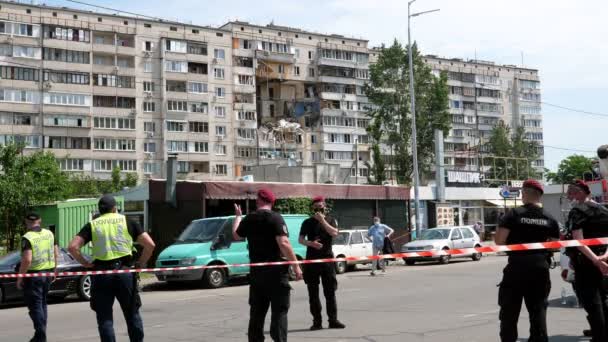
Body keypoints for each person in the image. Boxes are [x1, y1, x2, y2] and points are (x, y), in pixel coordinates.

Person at [68, 195, 155, 342]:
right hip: (125, 272)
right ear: (114, 208)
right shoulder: (127, 221)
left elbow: (72, 247)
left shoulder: (93, 224)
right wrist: (141, 263)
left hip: (102, 273)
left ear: (100, 210)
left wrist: (85, 263)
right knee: (132, 313)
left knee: (105, 318)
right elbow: (150, 245)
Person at [232, 188, 303, 342]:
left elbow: (236, 235)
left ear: (258, 201)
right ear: (272, 202)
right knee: (279, 312)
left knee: (257, 314)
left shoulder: (249, 218)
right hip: (276, 273)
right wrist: (296, 266)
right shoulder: (275, 218)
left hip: (257, 273)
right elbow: (284, 242)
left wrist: (238, 217)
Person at [494, 179, 560, 342]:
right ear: (540, 196)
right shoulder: (550, 218)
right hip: (540, 268)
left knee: (509, 312)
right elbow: (553, 244)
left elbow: (499, 241)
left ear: (524, 193)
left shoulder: (513, 214)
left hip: (516, 267)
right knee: (538, 312)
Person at [564, 180, 608, 341]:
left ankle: (600, 336)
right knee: (602, 299)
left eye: (571, 192)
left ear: (581, 193)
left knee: (591, 302)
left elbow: (578, 241)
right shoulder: (604, 209)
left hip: (587, 263)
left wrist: (596, 260)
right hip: (604, 261)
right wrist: (604, 257)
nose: (569, 196)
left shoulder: (577, 211)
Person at [298, 196, 345, 330]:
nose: (319, 209)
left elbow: (334, 233)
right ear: (313, 208)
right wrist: (311, 243)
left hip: (327, 261)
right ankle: (317, 322)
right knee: (313, 293)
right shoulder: (307, 222)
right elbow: (300, 240)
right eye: (316, 207)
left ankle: (333, 320)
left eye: (321, 207)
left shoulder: (331, 220)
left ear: (325, 207)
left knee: (330, 292)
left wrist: (322, 220)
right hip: (312, 261)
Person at [17, 212, 59, 342]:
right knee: (42, 305)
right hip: (47, 274)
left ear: (26, 222)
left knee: (35, 307)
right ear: (40, 221)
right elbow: (56, 253)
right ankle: (40, 334)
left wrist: (20, 277)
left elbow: (27, 260)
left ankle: (41, 336)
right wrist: (55, 270)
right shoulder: (49, 234)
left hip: (34, 276)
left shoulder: (27, 237)